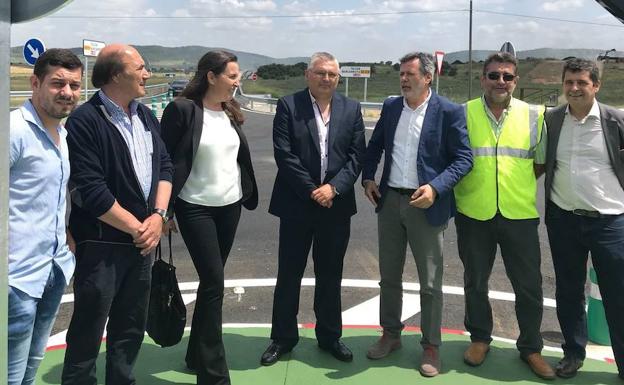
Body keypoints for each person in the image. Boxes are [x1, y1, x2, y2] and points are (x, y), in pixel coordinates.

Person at [61, 44, 173, 385]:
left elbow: (165, 166)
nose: (147, 74)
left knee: (129, 327)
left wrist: (158, 216)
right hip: (101, 244)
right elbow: (91, 190)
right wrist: (141, 228)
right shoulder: (85, 121)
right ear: (115, 75)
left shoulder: (145, 116)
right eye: (140, 67)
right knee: (88, 330)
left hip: (141, 242)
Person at [362, 51, 472, 377]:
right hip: (390, 202)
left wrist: (436, 188)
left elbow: (464, 159)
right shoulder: (392, 106)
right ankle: (391, 335)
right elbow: (376, 145)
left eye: (411, 74)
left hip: (426, 204)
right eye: (402, 74)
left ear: (428, 77)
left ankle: (431, 346)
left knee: (431, 282)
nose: (404, 79)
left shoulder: (449, 112)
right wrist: (369, 176)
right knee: (389, 276)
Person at [259, 52, 366, 366]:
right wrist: (312, 190)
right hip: (297, 204)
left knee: (331, 274)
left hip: (336, 204)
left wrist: (333, 188)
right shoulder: (289, 106)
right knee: (289, 274)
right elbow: (284, 154)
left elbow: (356, 156)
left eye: (332, 74)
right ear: (308, 75)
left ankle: (330, 337)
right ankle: (282, 339)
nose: (327, 79)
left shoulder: (351, 108)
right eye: (320, 73)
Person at [453, 52, 554, 380]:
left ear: (516, 81)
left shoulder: (534, 115)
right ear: (482, 78)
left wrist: (512, 186)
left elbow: (539, 163)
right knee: (475, 281)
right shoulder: (463, 113)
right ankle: (480, 338)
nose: (500, 82)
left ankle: (531, 348)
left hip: (519, 214)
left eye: (507, 77)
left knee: (528, 286)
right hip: (473, 213)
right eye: (494, 75)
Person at [160, 50, 258, 385]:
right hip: (194, 206)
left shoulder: (230, 110)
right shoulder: (183, 110)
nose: (237, 81)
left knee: (209, 284)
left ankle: (194, 355)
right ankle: (214, 376)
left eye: (238, 76)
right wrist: (165, 210)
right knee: (215, 282)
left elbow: (236, 159)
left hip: (229, 207)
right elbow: (165, 161)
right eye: (232, 75)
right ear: (211, 76)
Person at [544, 58, 624, 380]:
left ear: (596, 86)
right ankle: (573, 354)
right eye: (569, 82)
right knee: (568, 291)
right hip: (564, 219)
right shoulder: (551, 120)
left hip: (609, 223)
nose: (574, 88)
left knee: (617, 294)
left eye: (582, 83)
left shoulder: (614, 120)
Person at [8, 48, 82, 385]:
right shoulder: (13, 131)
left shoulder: (61, 133)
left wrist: (63, 236)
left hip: (52, 269)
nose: (67, 92)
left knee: (30, 368)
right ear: (35, 83)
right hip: (15, 279)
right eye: (57, 84)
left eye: (74, 85)